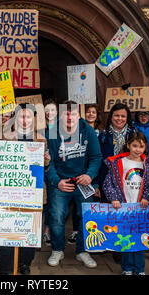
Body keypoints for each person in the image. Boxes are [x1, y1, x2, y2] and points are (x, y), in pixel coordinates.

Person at [0, 103, 50, 275]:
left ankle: (25, 263)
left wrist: (46, 160)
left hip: (32, 192)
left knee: (28, 229)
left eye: (28, 117)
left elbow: (43, 168)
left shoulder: (41, 138)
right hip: (10, 191)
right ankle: (6, 264)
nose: (24, 120)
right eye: (21, 116)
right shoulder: (5, 135)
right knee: (8, 226)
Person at [46, 100, 102, 269]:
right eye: (66, 113)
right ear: (61, 115)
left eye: (74, 113)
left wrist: (89, 175)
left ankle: (82, 251)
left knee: (87, 216)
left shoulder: (88, 131)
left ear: (79, 115)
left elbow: (96, 157)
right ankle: (57, 249)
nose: (70, 117)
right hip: (61, 181)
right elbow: (48, 162)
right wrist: (57, 182)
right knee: (56, 216)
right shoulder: (51, 133)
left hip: (82, 181)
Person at [102, 132, 149, 275]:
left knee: (139, 240)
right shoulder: (118, 163)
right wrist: (114, 198)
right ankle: (127, 268)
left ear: (145, 147)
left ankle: (139, 269)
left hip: (141, 208)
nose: (137, 149)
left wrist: (147, 196)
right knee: (126, 239)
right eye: (134, 145)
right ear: (128, 145)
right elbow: (108, 184)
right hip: (123, 208)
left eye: (141, 146)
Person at [96, 103, 134, 263]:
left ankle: (121, 248)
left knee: (125, 214)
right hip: (107, 181)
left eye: (123, 116)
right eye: (116, 115)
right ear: (111, 117)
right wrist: (96, 184)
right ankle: (108, 243)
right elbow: (96, 160)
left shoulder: (134, 135)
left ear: (127, 118)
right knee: (109, 213)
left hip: (129, 181)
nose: (119, 119)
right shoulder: (103, 136)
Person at [43, 99, 58, 246]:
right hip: (42, 168)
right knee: (44, 202)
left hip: (56, 170)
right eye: (47, 110)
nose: (49, 113)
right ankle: (45, 230)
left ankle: (49, 229)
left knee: (54, 201)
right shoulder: (39, 128)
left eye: (52, 110)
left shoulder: (62, 128)